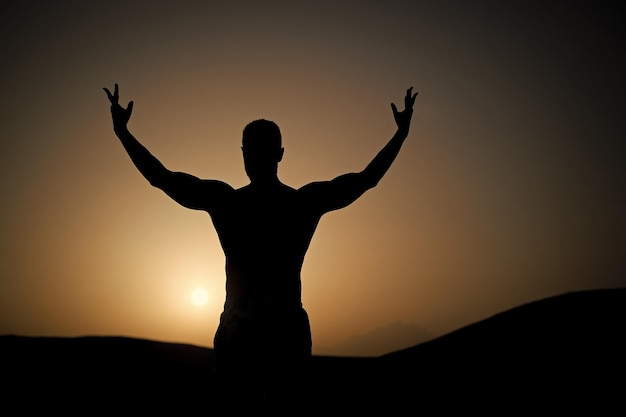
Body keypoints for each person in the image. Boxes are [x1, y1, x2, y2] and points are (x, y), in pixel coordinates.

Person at [103, 84, 418, 415]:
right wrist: (401, 135)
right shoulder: (300, 203)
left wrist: (122, 132)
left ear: (250, 153)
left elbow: (162, 178)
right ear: (279, 153)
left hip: (245, 329)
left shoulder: (229, 202)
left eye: (254, 151)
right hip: (282, 330)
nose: (252, 157)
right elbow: (366, 179)